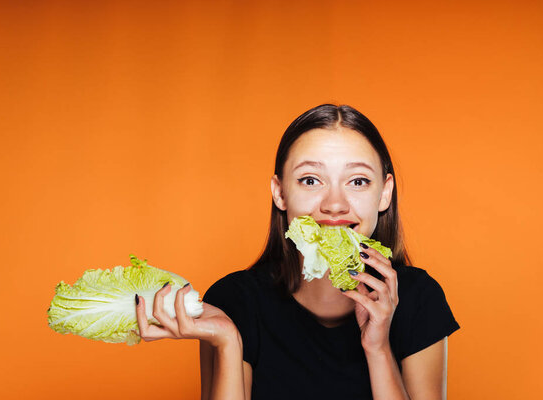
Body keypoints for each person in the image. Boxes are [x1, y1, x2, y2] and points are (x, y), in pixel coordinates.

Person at [134, 104, 460, 400]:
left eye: (358, 181)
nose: (334, 205)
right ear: (280, 194)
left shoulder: (419, 299)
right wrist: (228, 343)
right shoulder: (234, 301)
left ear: (384, 194)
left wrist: (378, 349)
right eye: (310, 180)